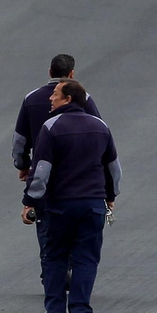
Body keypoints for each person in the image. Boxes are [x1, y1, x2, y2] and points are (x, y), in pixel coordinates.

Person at [21, 80, 120, 313]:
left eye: (55, 95)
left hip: (59, 206)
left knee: (54, 258)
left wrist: (29, 201)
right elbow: (113, 168)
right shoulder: (100, 126)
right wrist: (111, 196)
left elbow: (41, 170)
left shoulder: (51, 127)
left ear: (68, 99)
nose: (50, 99)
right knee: (86, 260)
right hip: (92, 205)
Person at [13, 54, 102, 256]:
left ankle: (51, 263)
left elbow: (20, 139)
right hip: (77, 170)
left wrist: (23, 164)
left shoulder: (31, 98)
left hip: (42, 168)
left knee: (45, 218)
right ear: (71, 74)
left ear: (49, 72)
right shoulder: (84, 99)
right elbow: (98, 132)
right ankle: (70, 262)